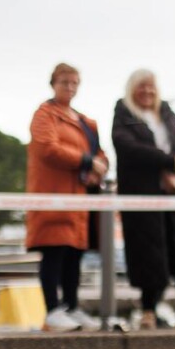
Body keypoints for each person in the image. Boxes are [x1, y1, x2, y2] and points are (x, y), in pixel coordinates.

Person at [112, 69, 175, 330]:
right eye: (141, 86)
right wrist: (169, 161)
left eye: (151, 87)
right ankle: (148, 309)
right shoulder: (124, 112)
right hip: (144, 194)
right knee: (149, 252)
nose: (147, 92)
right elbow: (127, 147)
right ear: (131, 89)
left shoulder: (168, 113)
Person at [25, 62, 109, 332]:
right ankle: (52, 310)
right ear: (53, 83)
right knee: (54, 251)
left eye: (74, 83)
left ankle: (71, 307)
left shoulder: (85, 122)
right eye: (64, 82)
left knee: (74, 254)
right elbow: (47, 149)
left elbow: (100, 155)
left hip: (79, 200)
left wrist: (98, 167)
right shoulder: (45, 114)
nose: (70, 87)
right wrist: (87, 161)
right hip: (54, 196)